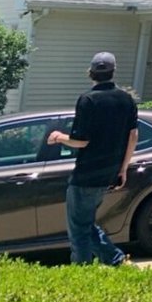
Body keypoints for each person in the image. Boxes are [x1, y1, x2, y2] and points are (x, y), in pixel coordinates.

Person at [47, 51, 139, 265]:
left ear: (91, 73)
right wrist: (123, 169)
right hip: (109, 173)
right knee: (85, 223)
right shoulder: (126, 99)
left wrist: (59, 137)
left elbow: (81, 141)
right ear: (113, 71)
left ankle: (83, 272)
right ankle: (116, 261)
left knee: (78, 229)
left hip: (86, 174)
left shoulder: (88, 99)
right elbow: (133, 136)